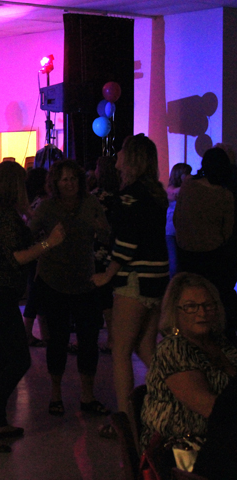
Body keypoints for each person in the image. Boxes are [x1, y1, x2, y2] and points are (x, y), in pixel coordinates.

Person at [0, 161, 65, 453]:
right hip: (0, 291)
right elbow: (17, 257)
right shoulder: (8, 217)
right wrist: (49, 243)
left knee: (7, 357)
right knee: (19, 359)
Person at [92, 134, 170, 437]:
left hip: (134, 279)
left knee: (121, 350)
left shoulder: (129, 196)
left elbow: (127, 242)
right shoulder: (155, 193)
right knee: (146, 346)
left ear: (132, 158)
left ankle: (126, 422)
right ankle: (176, 396)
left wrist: (107, 274)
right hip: (157, 278)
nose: (117, 156)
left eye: (122, 151)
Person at [30, 160, 111, 417]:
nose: (69, 184)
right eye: (64, 179)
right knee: (57, 340)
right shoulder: (47, 207)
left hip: (85, 281)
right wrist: (47, 241)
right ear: (55, 182)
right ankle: (55, 395)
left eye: (74, 179)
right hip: (54, 281)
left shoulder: (90, 203)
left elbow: (107, 235)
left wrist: (101, 229)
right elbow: (30, 235)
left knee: (89, 341)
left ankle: (88, 396)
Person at [140, 273, 237, 477]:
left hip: (219, 441)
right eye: (191, 306)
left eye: (208, 305)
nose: (202, 312)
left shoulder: (220, 344)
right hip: (182, 452)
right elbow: (209, 407)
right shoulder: (173, 349)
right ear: (174, 311)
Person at [174, 148, 236, 342]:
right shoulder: (224, 195)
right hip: (214, 257)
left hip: (186, 253)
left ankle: (188, 339)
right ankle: (220, 341)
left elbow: (177, 218)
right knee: (215, 301)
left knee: (189, 299)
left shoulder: (188, 186)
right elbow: (227, 231)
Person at [91, 156, 122, 353]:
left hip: (98, 249)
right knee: (112, 293)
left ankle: (109, 337)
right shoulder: (121, 195)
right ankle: (114, 336)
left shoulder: (96, 197)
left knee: (101, 295)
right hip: (117, 249)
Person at [22, 167, 50, 348]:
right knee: (37, 293)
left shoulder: (30, 202)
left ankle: (40, 333)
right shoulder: (43, 203)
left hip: (32, 253)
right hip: (42, 253)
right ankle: (28, 333)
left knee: (36, 293)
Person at [165, 163, 192, 278]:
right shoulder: (172, 190)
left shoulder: (185, 190)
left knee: (182, 264)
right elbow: (174, 193)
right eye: (187, 173)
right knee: (174, 265)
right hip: (171, 231)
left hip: (183, 231)